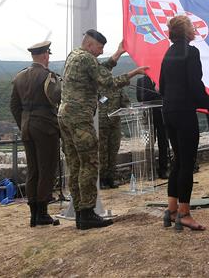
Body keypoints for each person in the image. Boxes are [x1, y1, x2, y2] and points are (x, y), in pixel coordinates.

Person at [59, 30, 147, 230]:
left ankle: (81, 212)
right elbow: (109, 82)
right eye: (100, 48)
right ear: (90, 45)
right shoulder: (88, 59)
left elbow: (100, 70)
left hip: (65, 117)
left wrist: (117, 54)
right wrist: (134, 72)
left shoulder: (75, 56)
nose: (101, 52)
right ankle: (88, 212)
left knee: (75, 164)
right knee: (90, 163)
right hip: (80, 119)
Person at [159, 15, 209, 231]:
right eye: (190, 26)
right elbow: (195, 85)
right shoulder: (191, 51)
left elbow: (162, 85)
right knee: (187, 162)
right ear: (185, 31)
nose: (193, 28)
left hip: (168, 111)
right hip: (184, 113)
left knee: (178, 161)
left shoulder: (168, 53)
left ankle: (171, 210)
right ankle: (185, 213)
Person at [10, 41, 62, 227]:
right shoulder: (48, 76)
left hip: (27, 128)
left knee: (33, 170)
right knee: (47, 169)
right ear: (45, 55)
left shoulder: (20, 77)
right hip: (46, 128)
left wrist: (24, 123)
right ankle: (42, 213)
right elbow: (57, 99)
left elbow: (14, 106)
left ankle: (33, 213)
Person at [136, 75, 170, 179]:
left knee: (163, 143)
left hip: (162, 116)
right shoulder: (141, 80)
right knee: (149, 145)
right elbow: (141, 98)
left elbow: (167, 95)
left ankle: (163, 170)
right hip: (148, 118)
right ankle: (151, 172)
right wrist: (156, 91)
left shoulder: (162, 79)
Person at [98, 86, 130, 189]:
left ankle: (111, 178)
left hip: (115, 125)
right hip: (101, 125)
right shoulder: (97, 87)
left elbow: (125, 102)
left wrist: (128, 108)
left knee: (113, 151)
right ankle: (102, 179)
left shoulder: (117, 87)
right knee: (102, 153)